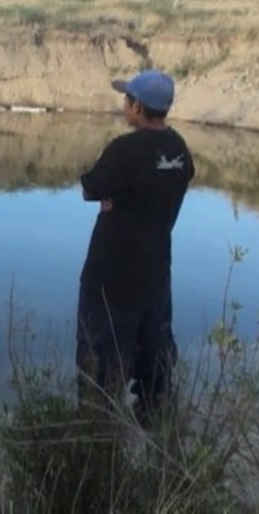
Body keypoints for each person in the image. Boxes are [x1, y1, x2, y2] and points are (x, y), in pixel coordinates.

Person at [75, 70, 194, 422]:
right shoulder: (179, 148)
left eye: (127, 99)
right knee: (155, 369)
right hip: (155, 279)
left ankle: (95, 443)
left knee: (99, 368)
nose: (124, 105)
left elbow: (90, 188)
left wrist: (111, 199)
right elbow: (178, 180)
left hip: (110, 280)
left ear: (137, 106)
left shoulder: (124, 149)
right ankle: (157, 444)